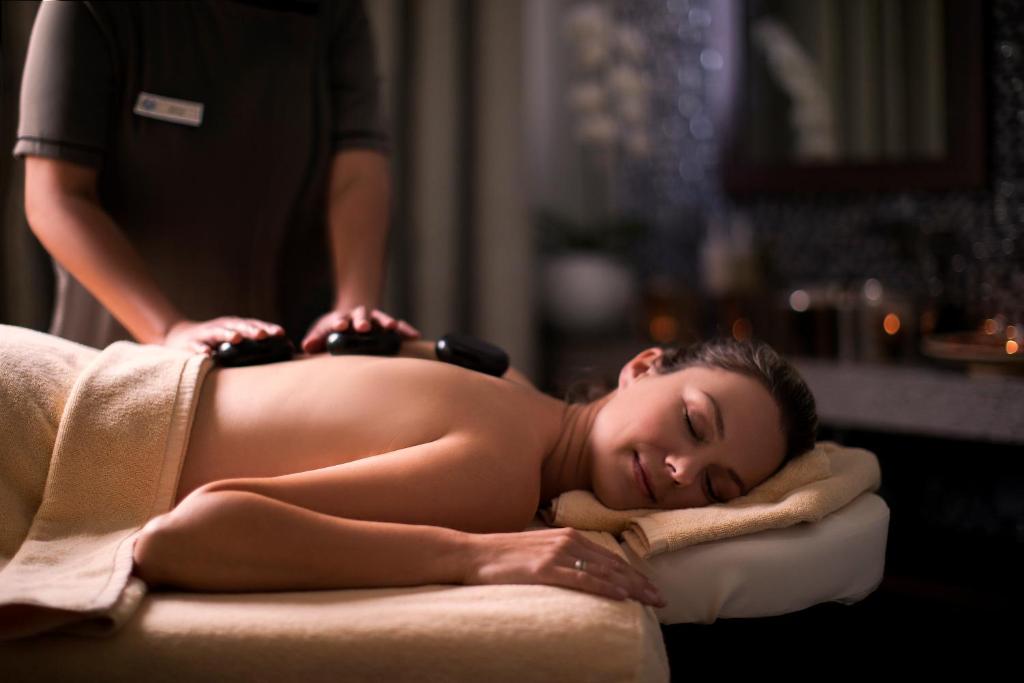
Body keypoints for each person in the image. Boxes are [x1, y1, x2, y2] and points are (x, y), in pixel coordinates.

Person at [131, 336, 818, 609]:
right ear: (641, 367)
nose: (681, 470)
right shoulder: (503, 475)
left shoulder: (510, 395)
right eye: (694, 423)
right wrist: (477, 556)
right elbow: (184, 538)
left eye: (715, 488)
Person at [15, 0, 418, 355]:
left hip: (292, 351)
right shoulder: (90, 8)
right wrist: (168, 330)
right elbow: (55, 197)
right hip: (124, 358)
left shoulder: (334, 11)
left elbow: (356, 169)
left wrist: (352, 313)